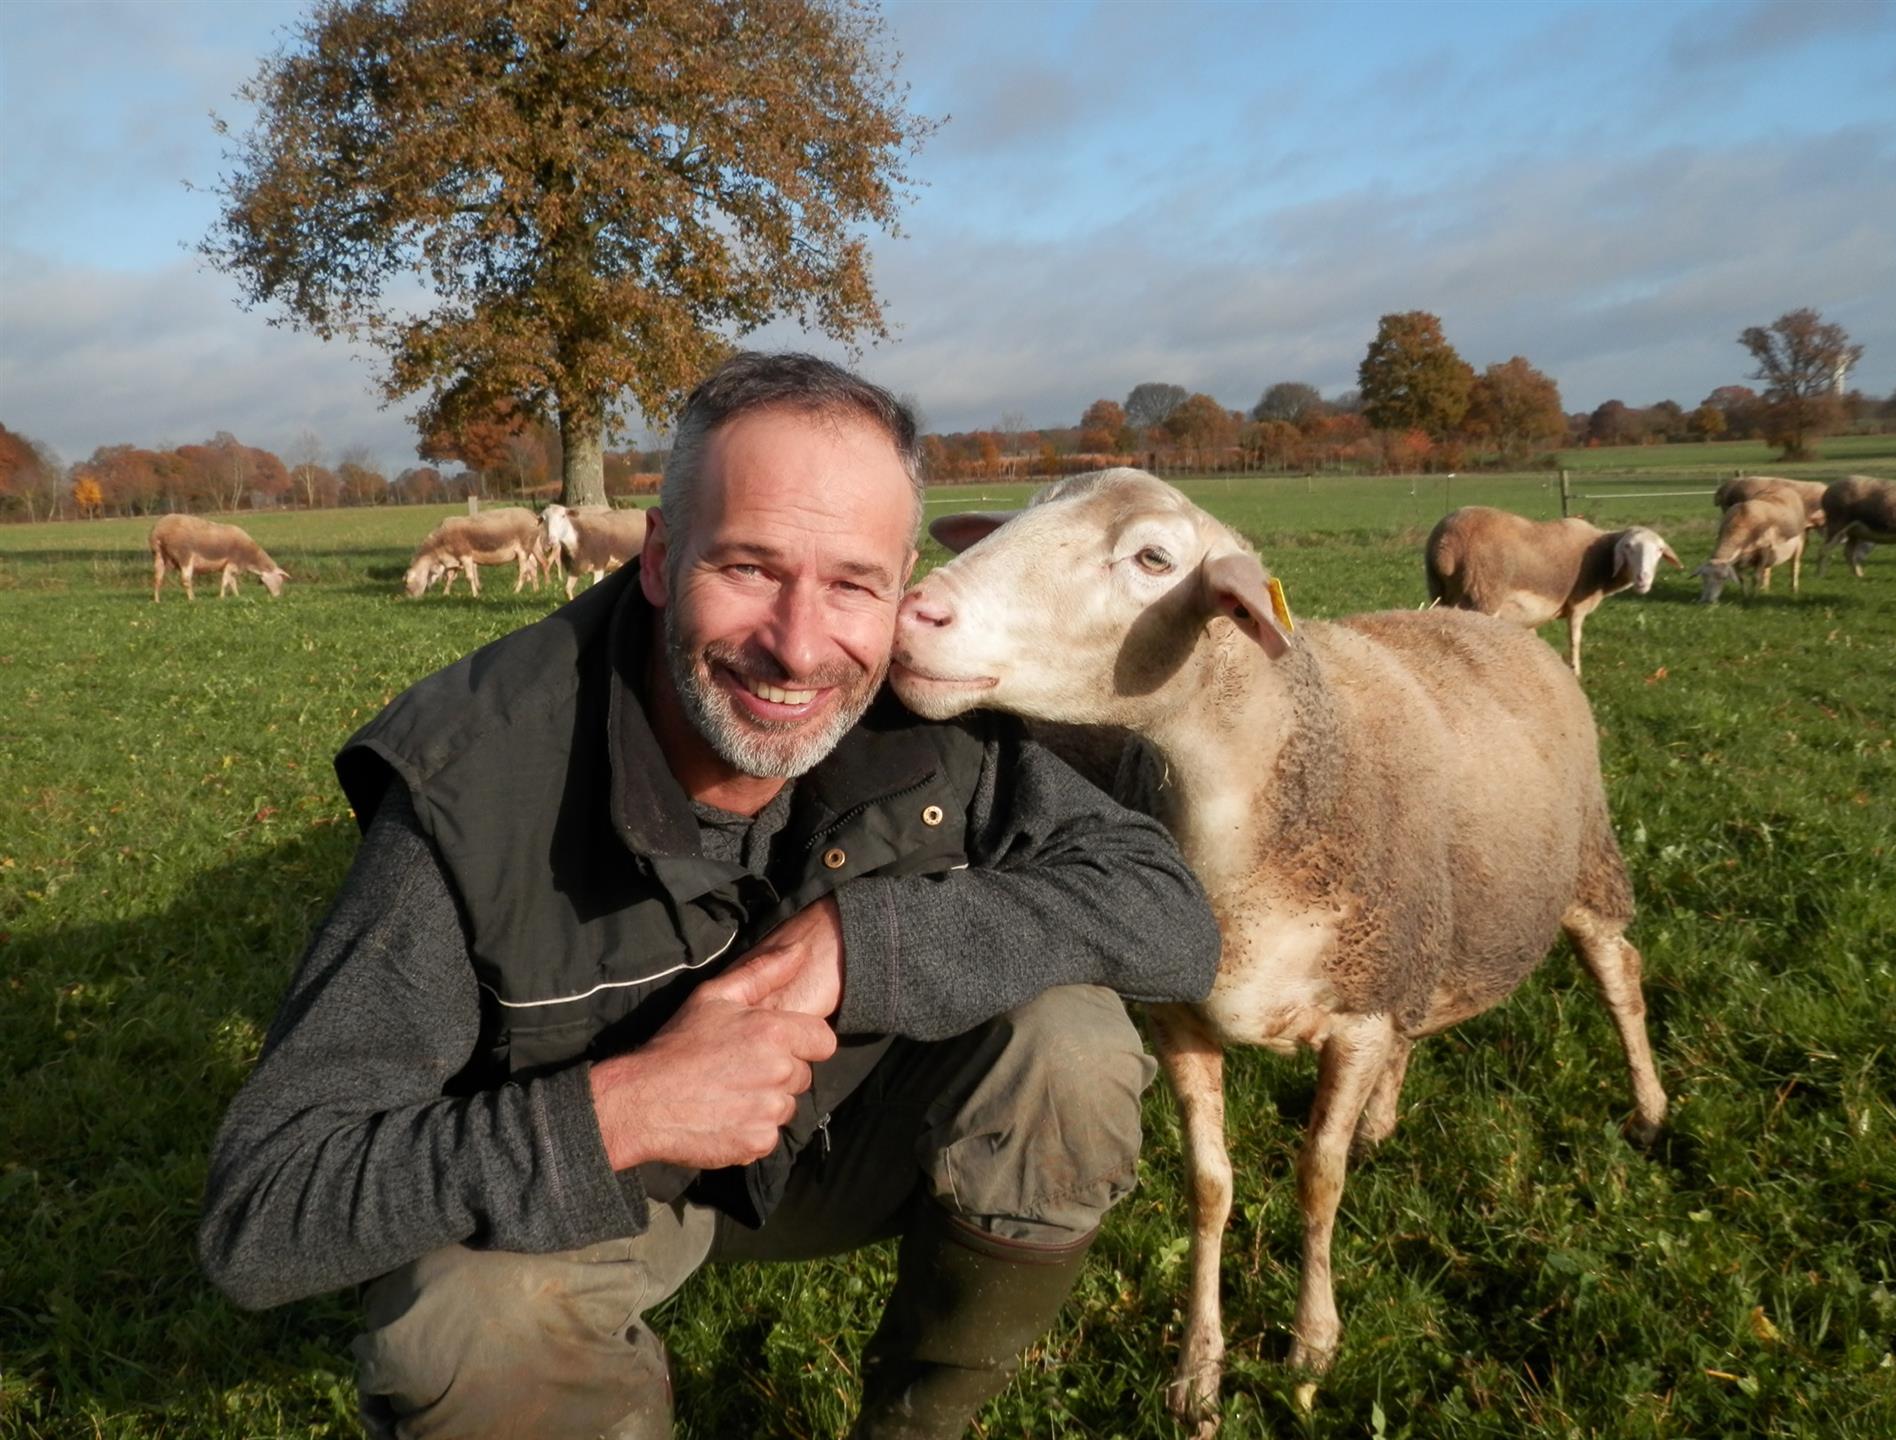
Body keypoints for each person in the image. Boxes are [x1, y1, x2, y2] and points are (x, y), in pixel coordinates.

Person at [199, 352, 1220, 1439]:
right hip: (606, 1192)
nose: (797, 645)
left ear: (902, 587)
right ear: (656, 558)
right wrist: (622, 1109)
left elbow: (1173, 919)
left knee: (1067, 1040)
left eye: (852, 584)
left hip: (840, 1136)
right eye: (747, 567)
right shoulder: (470, 792)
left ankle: (920, 1423)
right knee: (467, 1332)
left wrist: (867, 945)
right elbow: (265, 1210)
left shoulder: (931, 723)